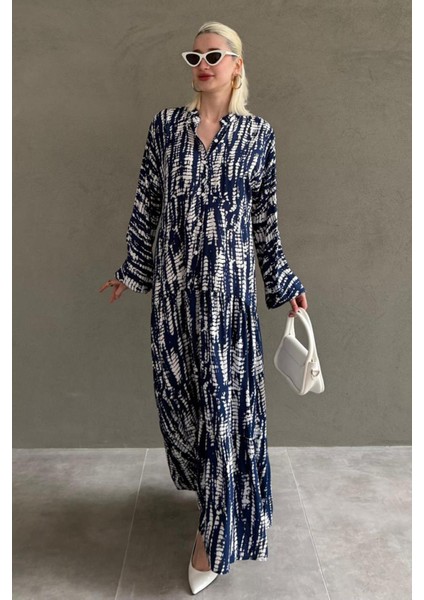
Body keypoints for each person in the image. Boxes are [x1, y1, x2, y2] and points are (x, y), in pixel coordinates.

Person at [99, 20, 308, 594]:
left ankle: (212, 536)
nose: (203, 65)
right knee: (182, 409)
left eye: (214, 55)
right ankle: (218, 501)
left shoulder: (257, 136)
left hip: (228, 305)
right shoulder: (167, 128)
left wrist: (283, 279)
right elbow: (147, 203)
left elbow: (265, 222)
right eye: (195, 57)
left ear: (237, 65)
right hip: (174, 300)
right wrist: (132, 269)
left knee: (222, 412)